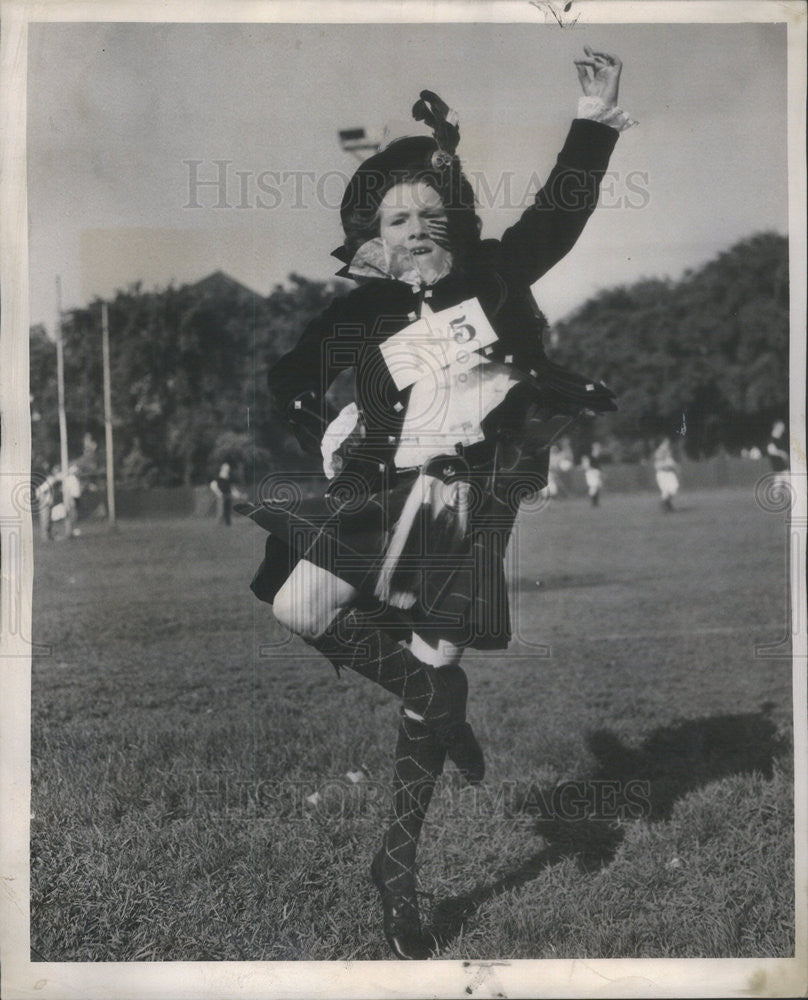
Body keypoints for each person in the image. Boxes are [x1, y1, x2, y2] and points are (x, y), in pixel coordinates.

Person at [240, 47, 632, 959]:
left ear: (451, 215)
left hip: (464, 496)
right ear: (371, 239)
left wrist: (592, 112)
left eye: (428, 211)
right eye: (396, 218)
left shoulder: (492, 276)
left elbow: (559, 214)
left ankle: (398, 870)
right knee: (301, 606)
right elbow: (291, 375)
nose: (417, 226)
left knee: (434, 654)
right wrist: (317, 404)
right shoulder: (362, 310)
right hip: (378, 491)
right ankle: (435, 700)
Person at [654, 436, 680, 511]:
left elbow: (671, 461)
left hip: (669, 473)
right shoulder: (659, 452)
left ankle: (665, 504)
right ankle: (666, 506)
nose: (667, 443)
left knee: (674, 488)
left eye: (667, 442)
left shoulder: (668, 451)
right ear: (662, 443)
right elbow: (658, 465)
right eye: (665, 442)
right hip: (663, 473)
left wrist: (675, 467)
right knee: (666, 491)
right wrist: (669, 464)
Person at [766, 420, 789, 493]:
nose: (783, 428)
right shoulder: (772, 439)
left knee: (778, 481)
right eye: (781, 426)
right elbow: (770, 450)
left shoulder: (779, 439)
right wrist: (782, 453)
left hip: (781, 466)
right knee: (788, 481)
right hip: (779, 465)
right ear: (776, 427)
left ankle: (775, 496)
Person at [581, 441, 604, 506]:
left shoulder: (598, 456)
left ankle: (596, 502)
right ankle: (593, 502)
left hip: (596, 472)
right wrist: (592, 471)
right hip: (591, 473)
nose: (598, 448)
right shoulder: (589, 456)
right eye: (597, 447)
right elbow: (586, 465)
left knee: (597, 486)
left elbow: (598, 466)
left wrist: (600, 472)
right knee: (593, 486)